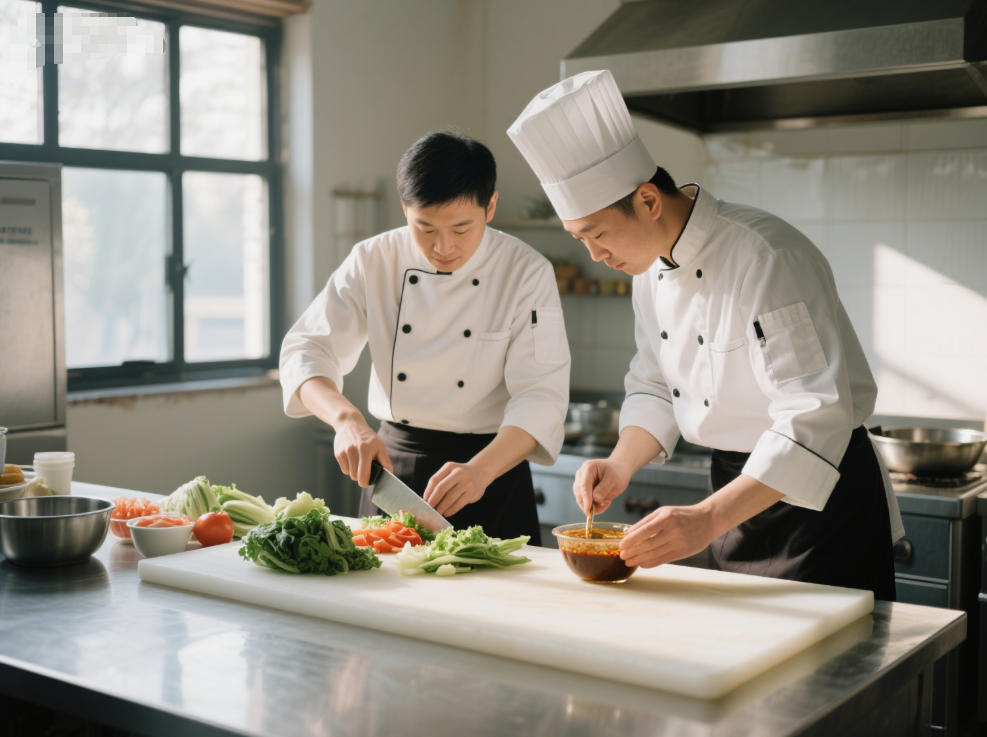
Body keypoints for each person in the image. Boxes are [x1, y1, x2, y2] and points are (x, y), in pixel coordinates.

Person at [508, 70, 903, 597]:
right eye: (581, 240)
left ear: (648, 200)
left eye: (597, 234)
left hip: (818, 512)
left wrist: (706, 519)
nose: (595, 256)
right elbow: (653, 385)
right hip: (735, 501)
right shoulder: (648, 270)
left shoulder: (765, 256)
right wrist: (619, 463)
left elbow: (813, 416)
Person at [279, 131, 570, 543]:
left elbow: (542, 395)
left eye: (461, 228)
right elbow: (307, 349)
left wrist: (482, 470)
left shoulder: (525, 272)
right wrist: (345, 420)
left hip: (491, 472)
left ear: (491, 206)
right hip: (395, 469)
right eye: (425, 227)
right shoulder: (374, 259)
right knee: (383, 603)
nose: (442, 247)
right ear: (405, 208)